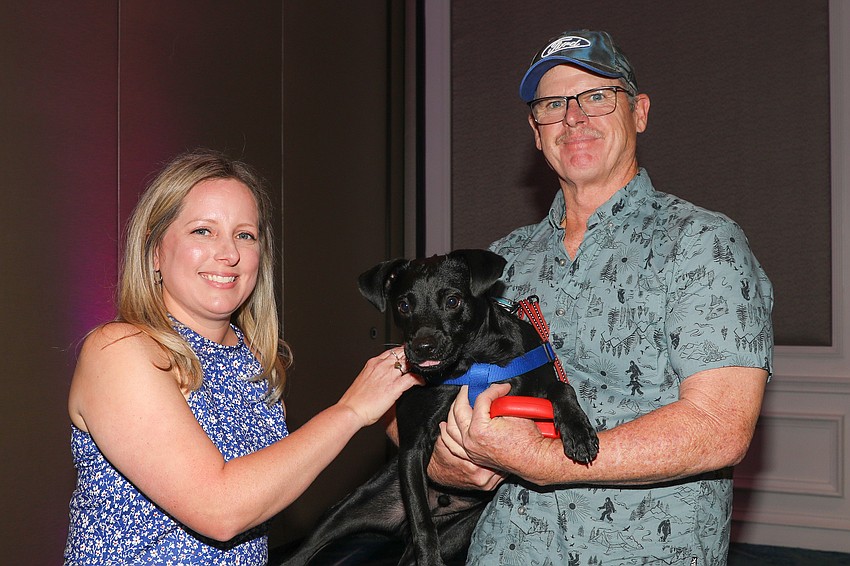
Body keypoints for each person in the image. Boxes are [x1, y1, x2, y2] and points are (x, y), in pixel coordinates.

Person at [428, 30, 774, 565]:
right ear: (535, 131)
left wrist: (547, 459)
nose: (573, 117)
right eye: (552, 104)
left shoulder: (704, 243)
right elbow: (431, 396)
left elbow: (719, 427)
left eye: (596, 97)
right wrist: (446, 461)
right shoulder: (499, 262)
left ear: (639, 112)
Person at [64, 149, 420, 565]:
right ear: (155, 251)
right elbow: (219, 509)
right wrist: (350, 412)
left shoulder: (255, 362)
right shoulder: (119, 350)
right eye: (202, 231)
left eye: (245, 235)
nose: (228, 254)